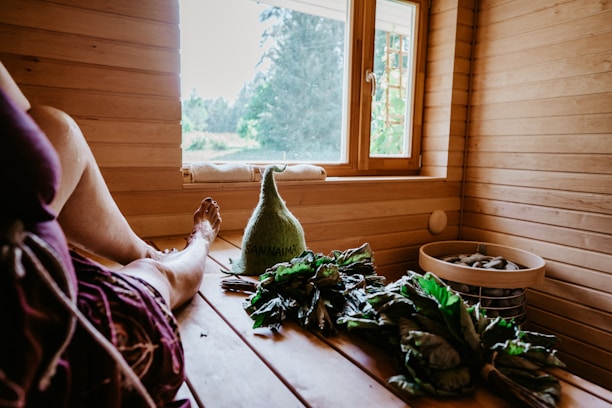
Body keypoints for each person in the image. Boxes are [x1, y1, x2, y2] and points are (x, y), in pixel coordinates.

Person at [0, 61, 220, 407]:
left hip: (26, 263)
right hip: (60, 335)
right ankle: (198, 241)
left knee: (55, 127)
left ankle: (144, 251)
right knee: (160, 276)